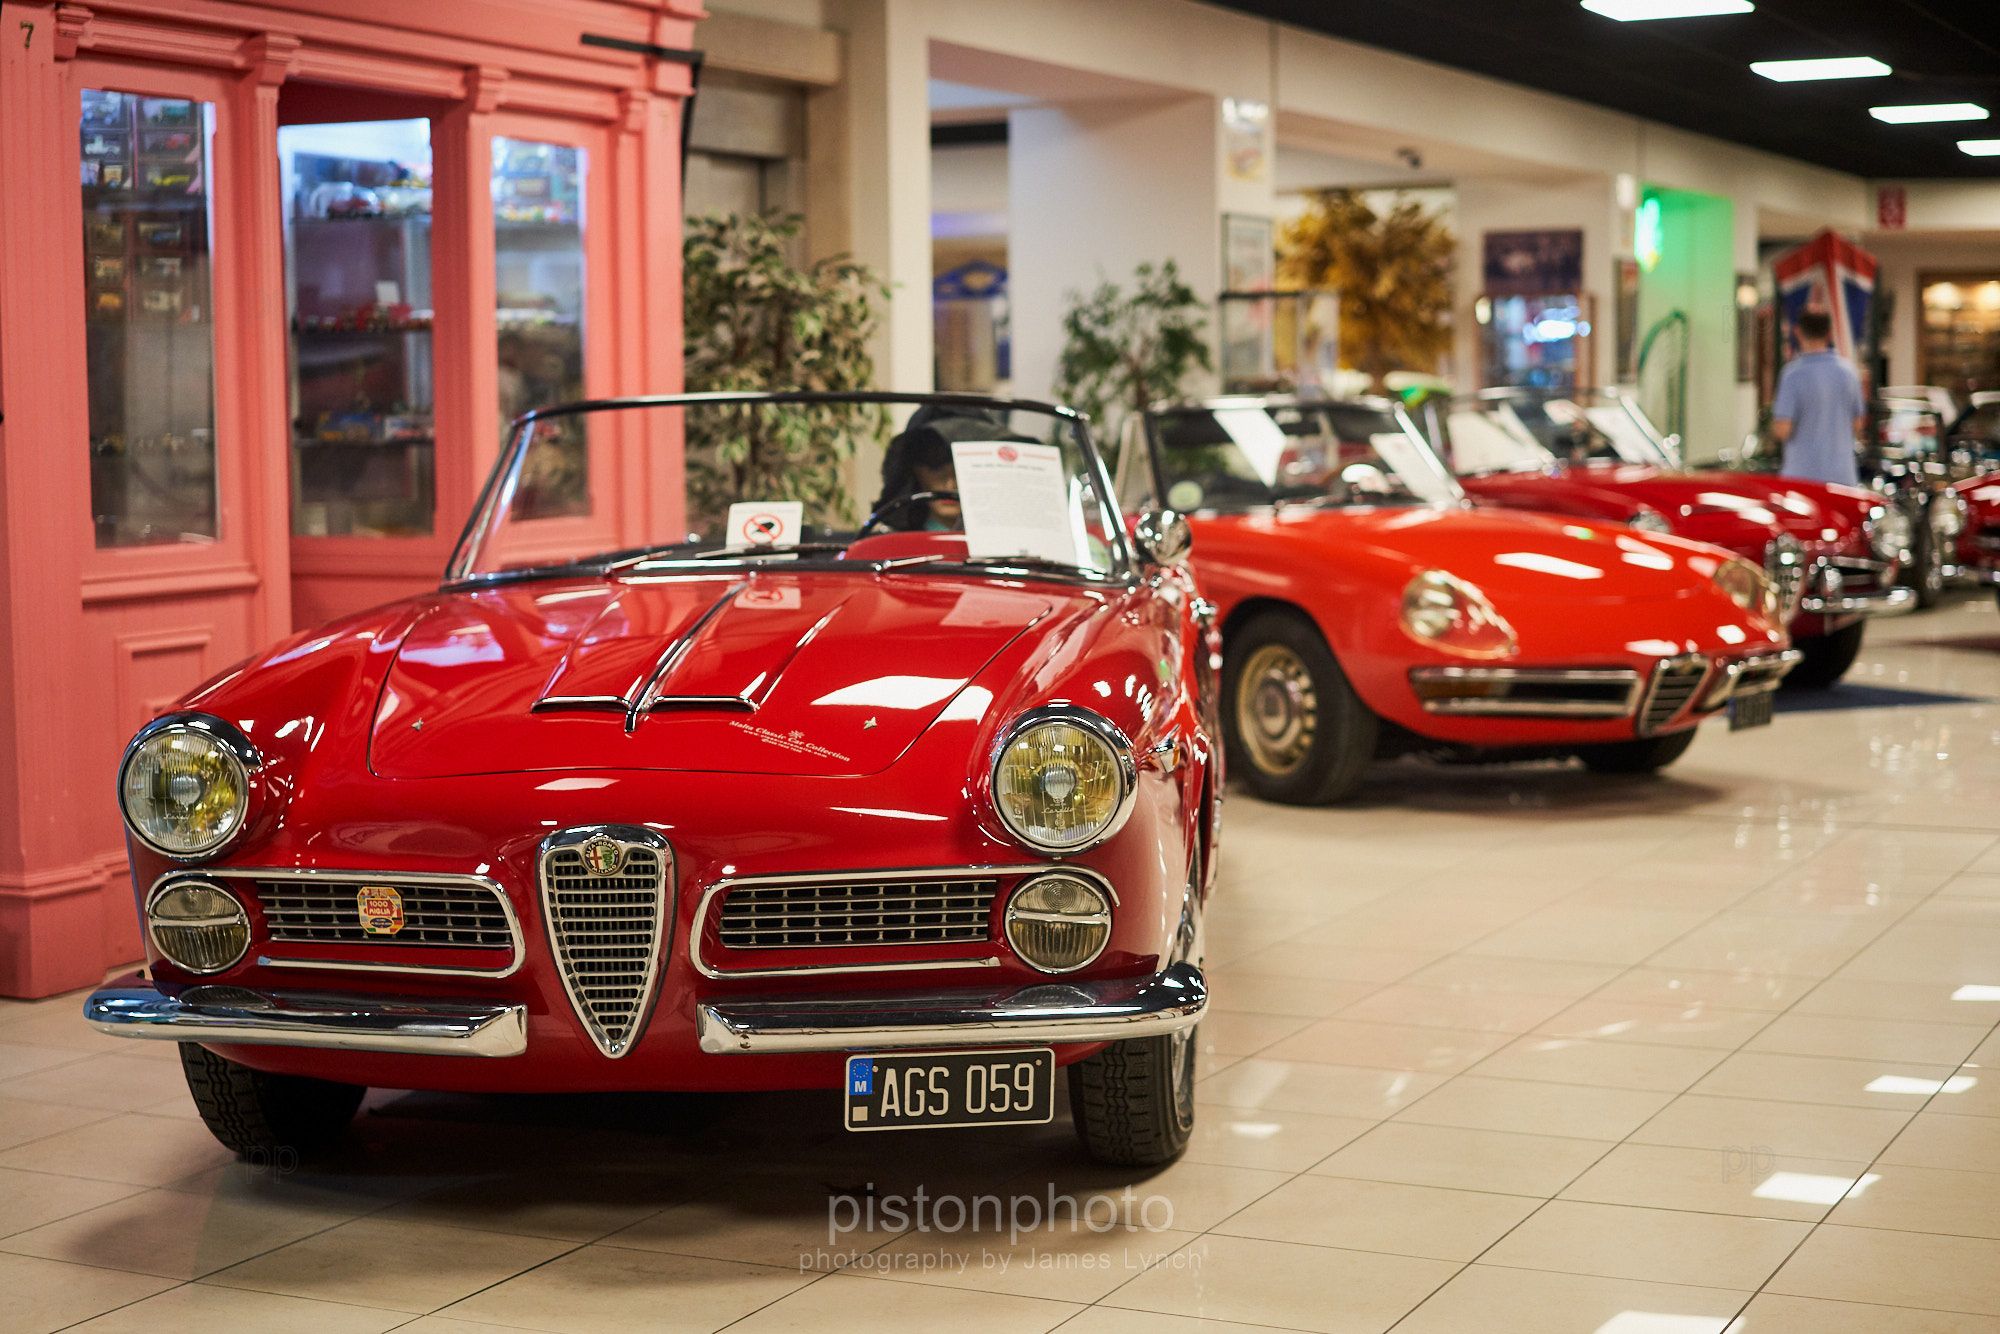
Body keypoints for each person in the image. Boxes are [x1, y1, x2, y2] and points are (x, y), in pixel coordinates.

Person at [1770, 310, 1866, 487]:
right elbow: (1858, 424)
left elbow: (1783, 429)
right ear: (1829, 334)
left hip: (1801, 479)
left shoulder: (1792, 375)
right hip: (1843, 479)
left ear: (1798, 332)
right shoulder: (1849, 372)